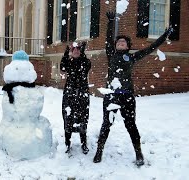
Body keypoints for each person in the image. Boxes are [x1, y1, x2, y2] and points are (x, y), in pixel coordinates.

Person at [93, 12, 174, 166]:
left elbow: (151, 48)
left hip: (127, 96)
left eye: (123, 41)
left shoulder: (132, 57)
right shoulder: (111, 54)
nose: (120, 42)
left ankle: (138, 152)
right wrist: (111, 22)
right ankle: (99, 151)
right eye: (119, 41)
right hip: (111, 96)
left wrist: (165, 35)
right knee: (106, 124)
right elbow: (108, 39)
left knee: (131, 125)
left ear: (128, 46)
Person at [60, 41, 91, 154]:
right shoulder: (68, 62)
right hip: (69, 94)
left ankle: (84, 143)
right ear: (71, 52)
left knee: (83, 118)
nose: (76, 51)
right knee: (68, 117)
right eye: (74, 50)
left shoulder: (85, 62)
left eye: (78, 49)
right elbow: (62, 67)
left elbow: (86, 65)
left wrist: (81, 51)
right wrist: (66, 52)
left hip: (82, 94)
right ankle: (67, 143)